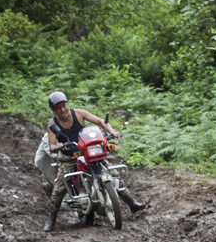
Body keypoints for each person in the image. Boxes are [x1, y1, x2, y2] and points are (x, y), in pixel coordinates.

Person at [43, 92, 146, 232]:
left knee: (113, 173)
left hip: (88, 152)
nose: (62, 110)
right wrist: (59, 146)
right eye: (58, 108)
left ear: (67, 104)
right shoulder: (52, 124)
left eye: (64, 106)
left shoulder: (78, 114)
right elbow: (52, 146)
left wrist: (112, 131)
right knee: (59, 188)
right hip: (70, 157)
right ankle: (51, 221)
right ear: (53, 110)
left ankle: (132, 202)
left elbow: (99, 122)